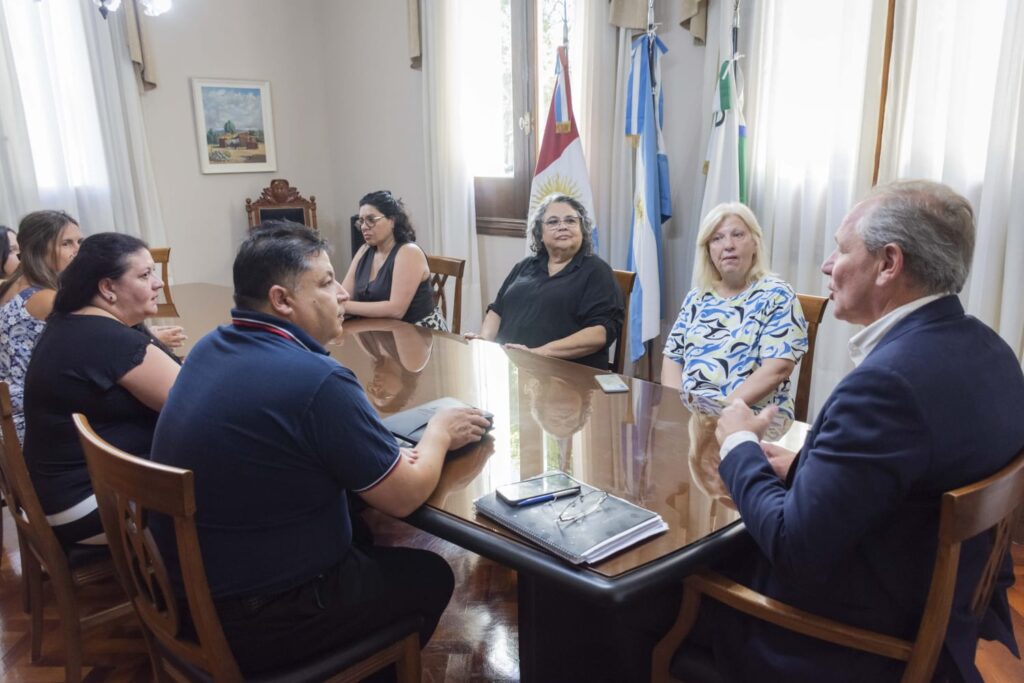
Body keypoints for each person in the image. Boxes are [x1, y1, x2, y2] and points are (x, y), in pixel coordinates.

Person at [691, 180, 1024, 682]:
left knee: (648, 587)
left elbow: (793, 547)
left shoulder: (887, 385)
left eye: (842, 249)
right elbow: (906, 477)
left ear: (889, 264)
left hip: (846, 643)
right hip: (938, 605)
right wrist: (805, 468)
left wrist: (737, 441)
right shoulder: (994, 353)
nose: (827, 265)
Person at [150, 223, 491, 674]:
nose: (343, 295)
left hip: (182, 593)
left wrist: (379, 459)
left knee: (359, 521)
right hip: (257, 615)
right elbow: (405, 496)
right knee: (429, 575)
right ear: (281, 300)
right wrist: (440, 432)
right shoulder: (318, 380)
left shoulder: (211, 346)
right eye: (327, 283)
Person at [22, 233, 181, 547]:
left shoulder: (73, 321)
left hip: (57, 495)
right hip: (84, 504)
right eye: (145, 275)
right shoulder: (108, 340)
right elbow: (196, 406)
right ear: (108, 288)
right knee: (226, 473)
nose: (158, 283)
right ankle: (209, 584)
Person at [661, 203, 808, 426]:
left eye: (738, 235)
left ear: (755, 243)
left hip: (752, 421)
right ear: (708, 251)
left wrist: (718, 416)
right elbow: (672, 358)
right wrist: (677, 409)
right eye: (717, 238)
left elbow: (778, 369)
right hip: (692, 422)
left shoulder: (777, 295)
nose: (728, 245)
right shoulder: (697, 297)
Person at [467, 193, 624, 370]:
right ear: (540, 233)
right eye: (553, 222)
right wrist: (485, 341)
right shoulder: (525, 266)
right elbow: (497, 310)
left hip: (565, 377)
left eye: (570, 221)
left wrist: (538, 353)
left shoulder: (597, 271)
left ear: (582, 229)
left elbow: (600, 333)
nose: (562, 226)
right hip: (510, 369)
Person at [0, 210, 82, 441]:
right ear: (39, 247)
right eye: (67, 243)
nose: (77, 250)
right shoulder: (45, 299)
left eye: (79, 242)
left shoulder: (11, 285)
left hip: (10, 416)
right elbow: (92, 344)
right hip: (34, 421)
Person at [340, 190, 447, 330]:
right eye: (361, 221)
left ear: (392, 221)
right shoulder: (364, 250)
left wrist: (344, 306)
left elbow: (396, 310)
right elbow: (343, 295)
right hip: (380, 331)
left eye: (371, 220)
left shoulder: (409, 252)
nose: (364, 227)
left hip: (420, 333)